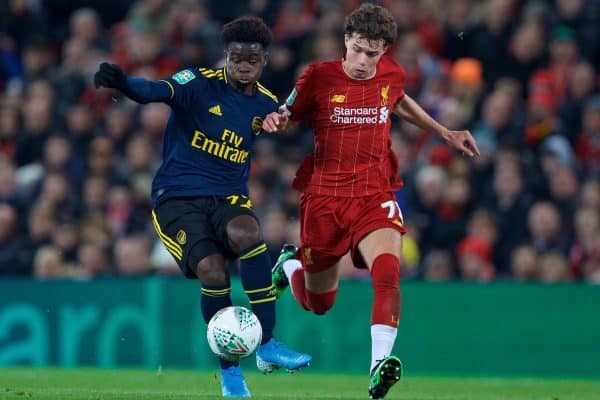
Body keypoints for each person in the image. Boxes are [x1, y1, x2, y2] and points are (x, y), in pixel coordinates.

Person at [261, 4, 480, 399]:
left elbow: (396, 99)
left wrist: (444, 132)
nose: (363, 61)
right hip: (325, 200)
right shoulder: (318, 76)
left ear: (384, 52)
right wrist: (276, 120)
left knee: (388, 271)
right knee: (319, 304)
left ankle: (378, 366)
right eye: (358, 49)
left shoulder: (391, 73)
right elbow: (287, 113)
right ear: (346, 40)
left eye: (373, 53)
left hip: (375, 193)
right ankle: (291, 264)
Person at [94, 16, 311, 398]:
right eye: (237, 57)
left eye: (253, 59)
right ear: (225, 55)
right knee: (213, 272)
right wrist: (125, 83)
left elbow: (284, 124)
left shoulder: (263, 104)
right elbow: (155, 90)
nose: (244, 64)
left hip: (227, 196)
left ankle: (268, 343)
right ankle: (230, 373)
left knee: (248, 231)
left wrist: (285, 123)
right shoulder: (197, 83)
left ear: (264, 62)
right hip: (176, 199)